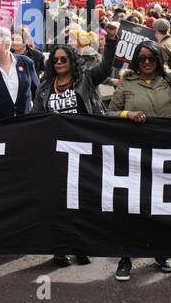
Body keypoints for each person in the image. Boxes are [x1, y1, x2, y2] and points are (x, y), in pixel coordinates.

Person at [105, 0, 171, 281]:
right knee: (131, 207)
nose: (147, 61)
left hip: (165, 152)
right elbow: (109, 114)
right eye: (142, 58)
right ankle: (126, 258)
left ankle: (161, 253)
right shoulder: (126, 84)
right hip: (132, 153)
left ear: (159, 59)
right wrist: (127, 116)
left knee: (161, 207)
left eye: (151, 58)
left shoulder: (169, 79)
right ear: (137, 61)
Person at [32, 41, 116, 266]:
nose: (59, 63)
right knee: (58, 202)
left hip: (84, 150)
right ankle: (59, 248)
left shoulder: (86, 79)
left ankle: (81, 247)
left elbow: (106, 67)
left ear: (72, 61)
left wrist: (112, 41)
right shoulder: (45, 86)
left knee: (82, 201)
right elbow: (34, 115)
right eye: (55, 60)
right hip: (56, 153)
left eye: (64, 59)